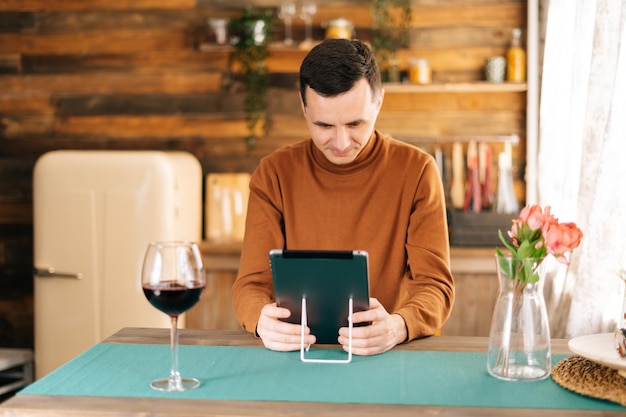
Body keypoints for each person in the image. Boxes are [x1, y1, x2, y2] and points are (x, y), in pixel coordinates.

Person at [231, 38, 454, 356]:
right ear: (303, 106)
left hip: (386, 354)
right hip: (295, 355)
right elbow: (251, 285)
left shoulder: (418, 171)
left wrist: (398, 326)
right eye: (323, 125)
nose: (340, 142)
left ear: (378, 102)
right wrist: (260, 320)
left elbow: (435, 286)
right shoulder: (273, 174)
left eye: (355, 124)